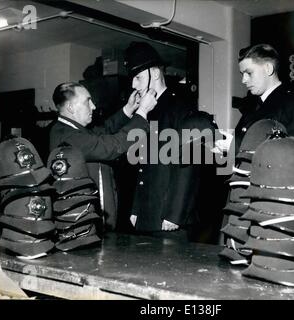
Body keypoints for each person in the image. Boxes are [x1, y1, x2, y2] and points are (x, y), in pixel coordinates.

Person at [49, 82, 157, 231]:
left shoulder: (71, 129)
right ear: (71, 108)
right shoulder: (67, 137)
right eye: (88, 101)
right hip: (85, 225)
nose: (93, 106)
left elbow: (104, 130)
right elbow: (111, 146)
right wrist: (142, 112)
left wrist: (128, 109)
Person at [124, 41, 200, 240]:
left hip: (170, 218)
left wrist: (175, 214)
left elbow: (189, 162)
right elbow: (142, 165)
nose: (133, 85)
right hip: (147, 215)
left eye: (138, 78)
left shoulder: (180, 107)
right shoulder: (146, 110)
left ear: (155, 74)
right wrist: (136, 208)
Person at [216, 43, 294, 155]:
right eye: (242, 74)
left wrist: (236, 147)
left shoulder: (291, 104)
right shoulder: (254, 103)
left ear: (268, 69)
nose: (243, 80)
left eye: (249, 73)